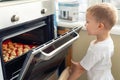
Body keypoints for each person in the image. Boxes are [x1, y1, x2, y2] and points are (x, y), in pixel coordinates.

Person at [67, 3, 118, 80]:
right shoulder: (107, 41)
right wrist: (78, 65)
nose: (85, 24)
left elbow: (80, 70)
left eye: (88, 22)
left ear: (100, 26)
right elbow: (94, 62)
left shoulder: (97, 48)